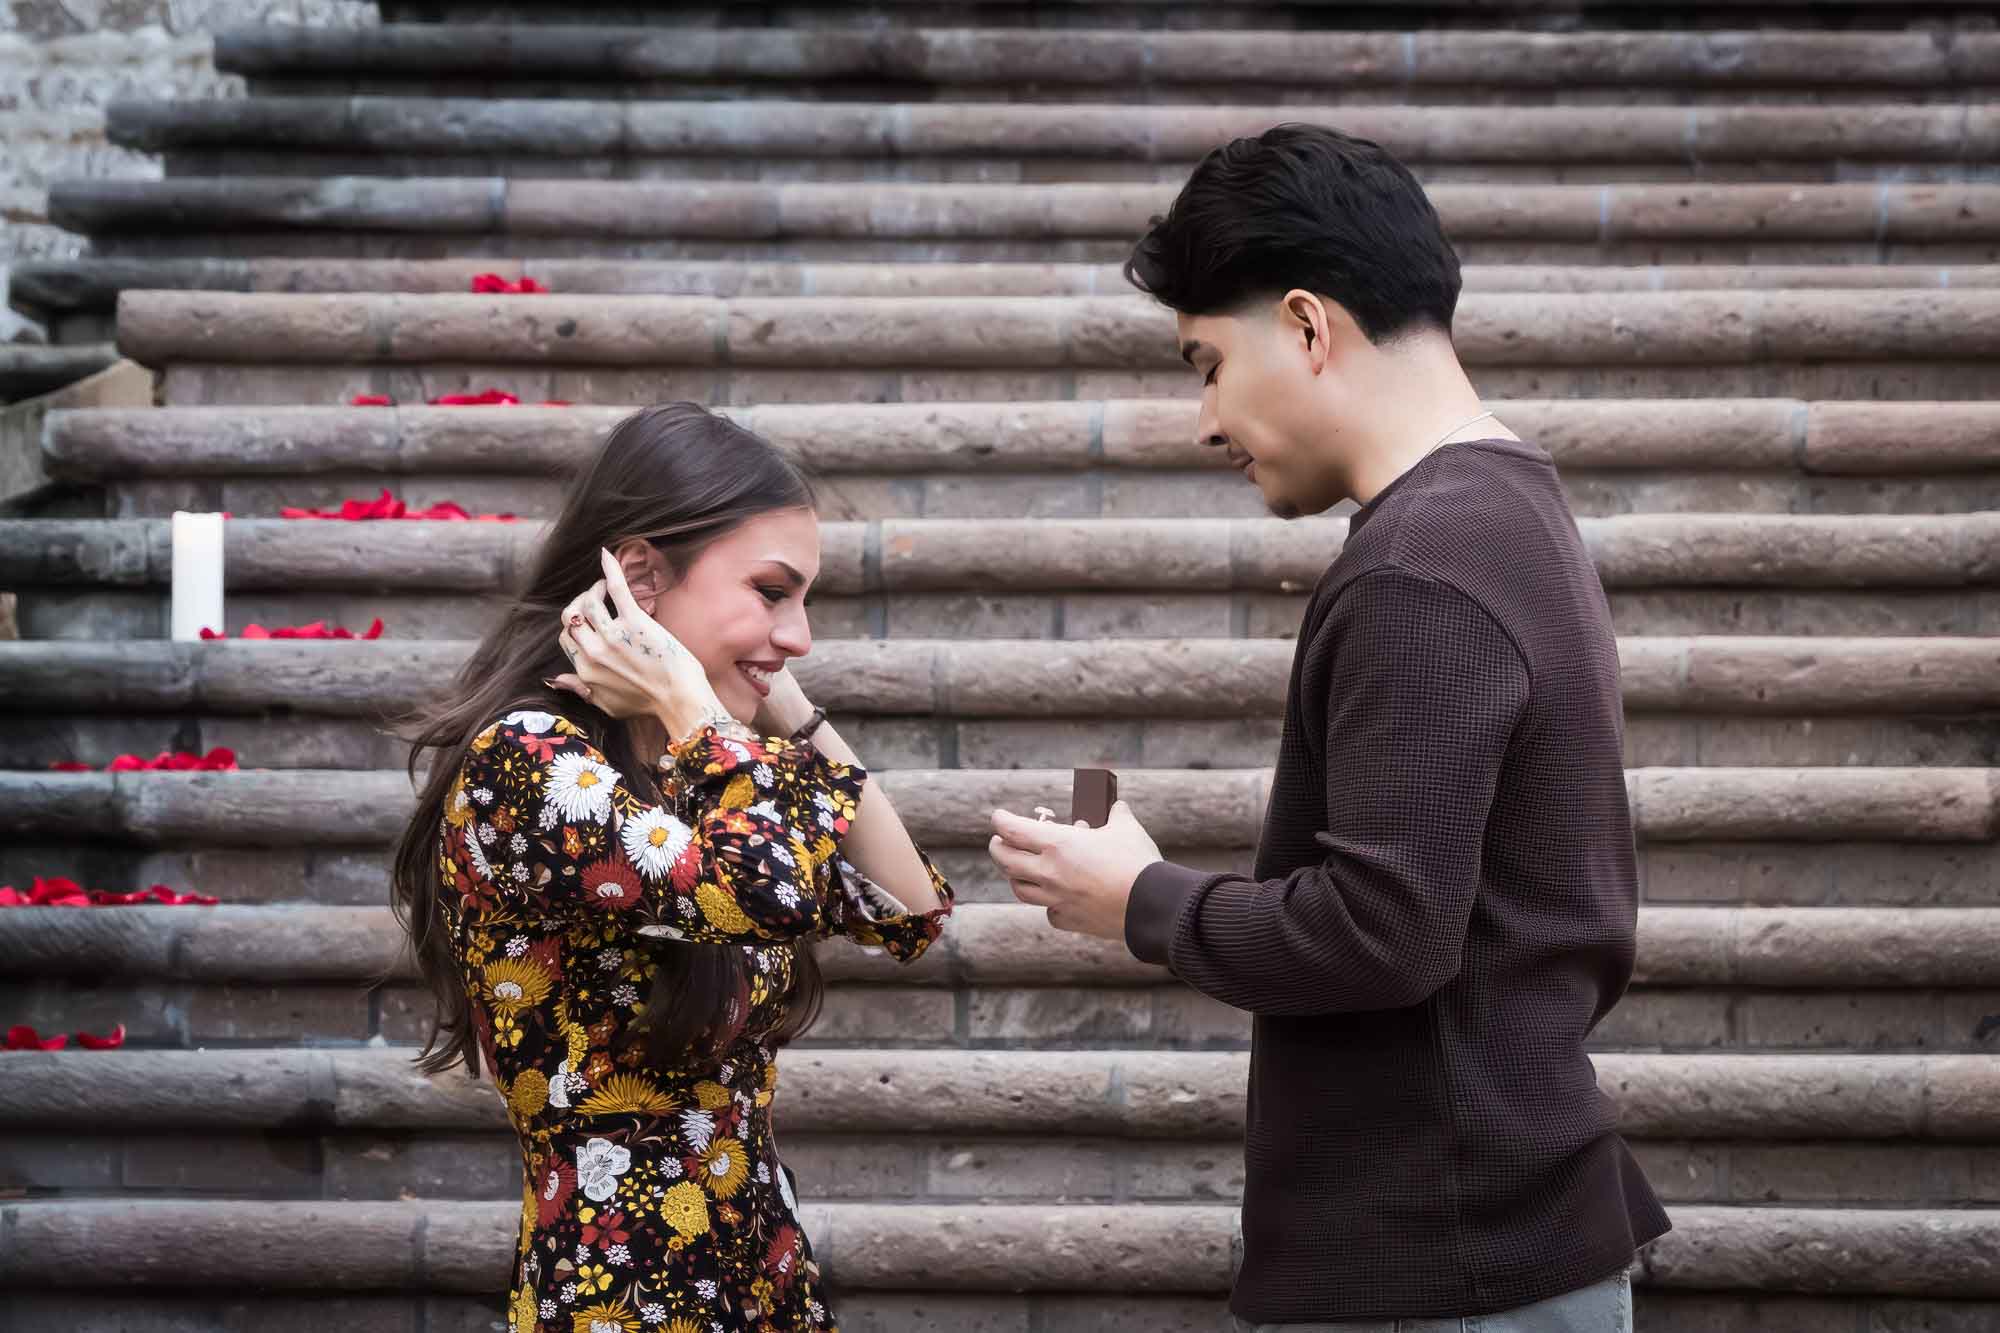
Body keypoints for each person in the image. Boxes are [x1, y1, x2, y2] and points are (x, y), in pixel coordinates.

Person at [988, 124, 1669, 1331]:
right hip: (1483, 1234)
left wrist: (1140, 899)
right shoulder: (1502, 509)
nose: (1204, 419)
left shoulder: (1420, 562)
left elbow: (1383, 931)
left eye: (1206, 363)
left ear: (1306, 326)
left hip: (1444, 1261)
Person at [390, 403, 953, 1333]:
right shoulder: (528, 762)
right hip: (625, 1294)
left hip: (761, 1277)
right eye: (771, 592)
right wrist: (704, 709)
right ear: (641, 577)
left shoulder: (698, 772)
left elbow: (910, 908)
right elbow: (769, 890)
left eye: (804, 601)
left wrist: (782, 700)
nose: (800, 634)